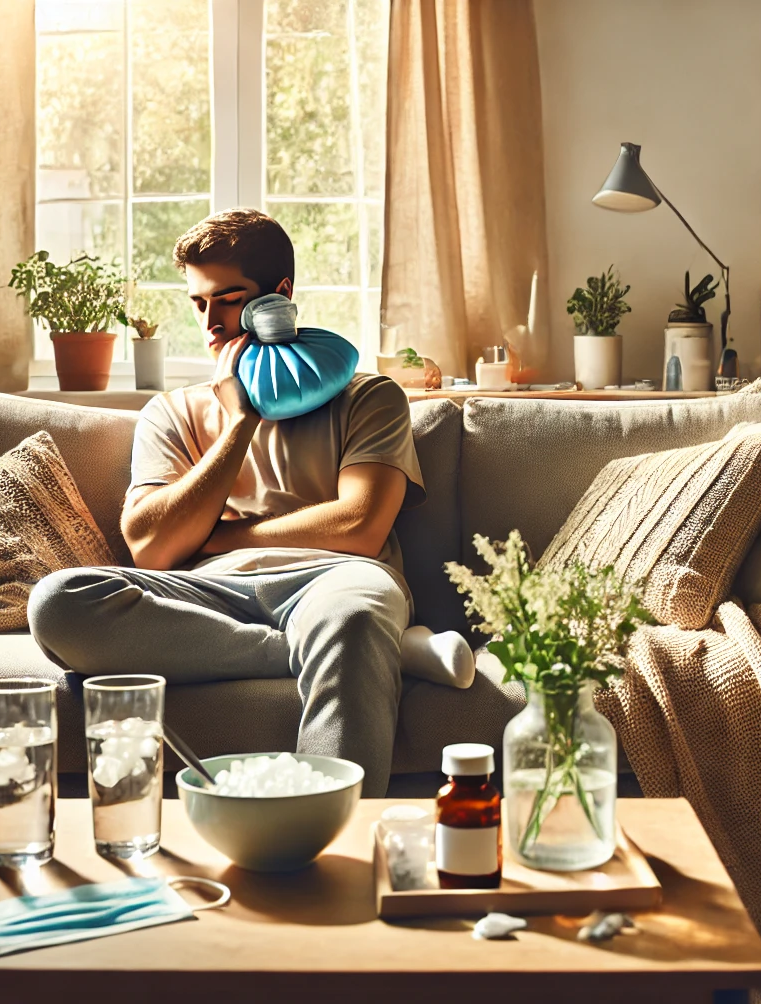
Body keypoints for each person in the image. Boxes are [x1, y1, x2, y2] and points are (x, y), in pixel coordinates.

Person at [28, 209, 473, 796]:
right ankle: (365, 652)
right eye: (198, 303)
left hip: (338, 582)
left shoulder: (369, 396)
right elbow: (152, 548)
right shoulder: (173, 412)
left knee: (356, 618)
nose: (210, 322)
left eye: (229, 299)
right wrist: (240, 422)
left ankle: (326, 834)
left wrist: (225, 536)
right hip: (208, 594)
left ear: (279, 296)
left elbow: (360, 525)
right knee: (59, 601)